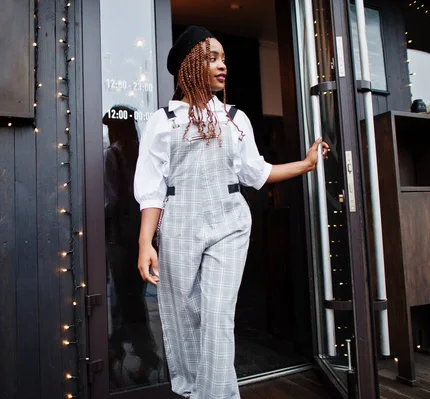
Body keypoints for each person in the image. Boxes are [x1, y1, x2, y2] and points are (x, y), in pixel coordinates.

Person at [133, 26, 329, 399]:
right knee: (185, 317)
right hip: (179, 226)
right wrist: (146, 242)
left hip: (229, 223)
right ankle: (196, 391)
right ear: (190, 65)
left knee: (218, 316)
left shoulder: (236, 119)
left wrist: (305, 164)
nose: (223, 65)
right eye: (212, 58)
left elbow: (259, 173)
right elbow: (152, 191)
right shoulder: (163, 121)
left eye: (224, 58)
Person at [103, 105, 161, 387]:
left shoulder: (112, 154)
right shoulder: (139, 154)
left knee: (124, 302)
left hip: (118, 240)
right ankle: (130, 353)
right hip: (139, 238)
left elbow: (109, 201)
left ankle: (142, 356)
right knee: (130, 300)